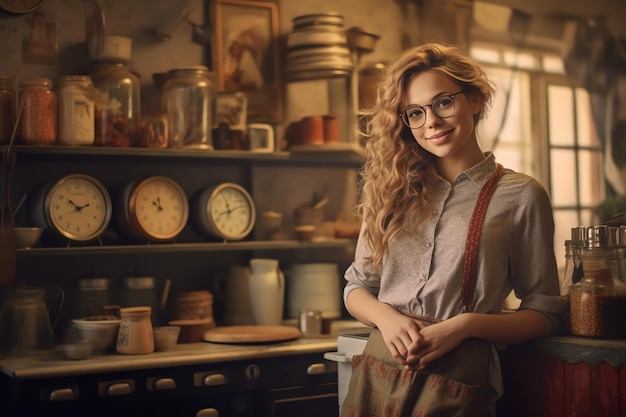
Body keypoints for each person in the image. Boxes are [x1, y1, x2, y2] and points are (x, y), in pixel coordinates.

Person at [341, 42, 567, 417]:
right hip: (377, 373)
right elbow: (356, 289)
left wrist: (465, 326)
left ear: (475, 100)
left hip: (457, 381)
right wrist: (387, 318)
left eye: (443, 102)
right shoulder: (389, 190)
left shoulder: (521, 196)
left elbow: (544, 314)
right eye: (415, 112)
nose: (431, 121)